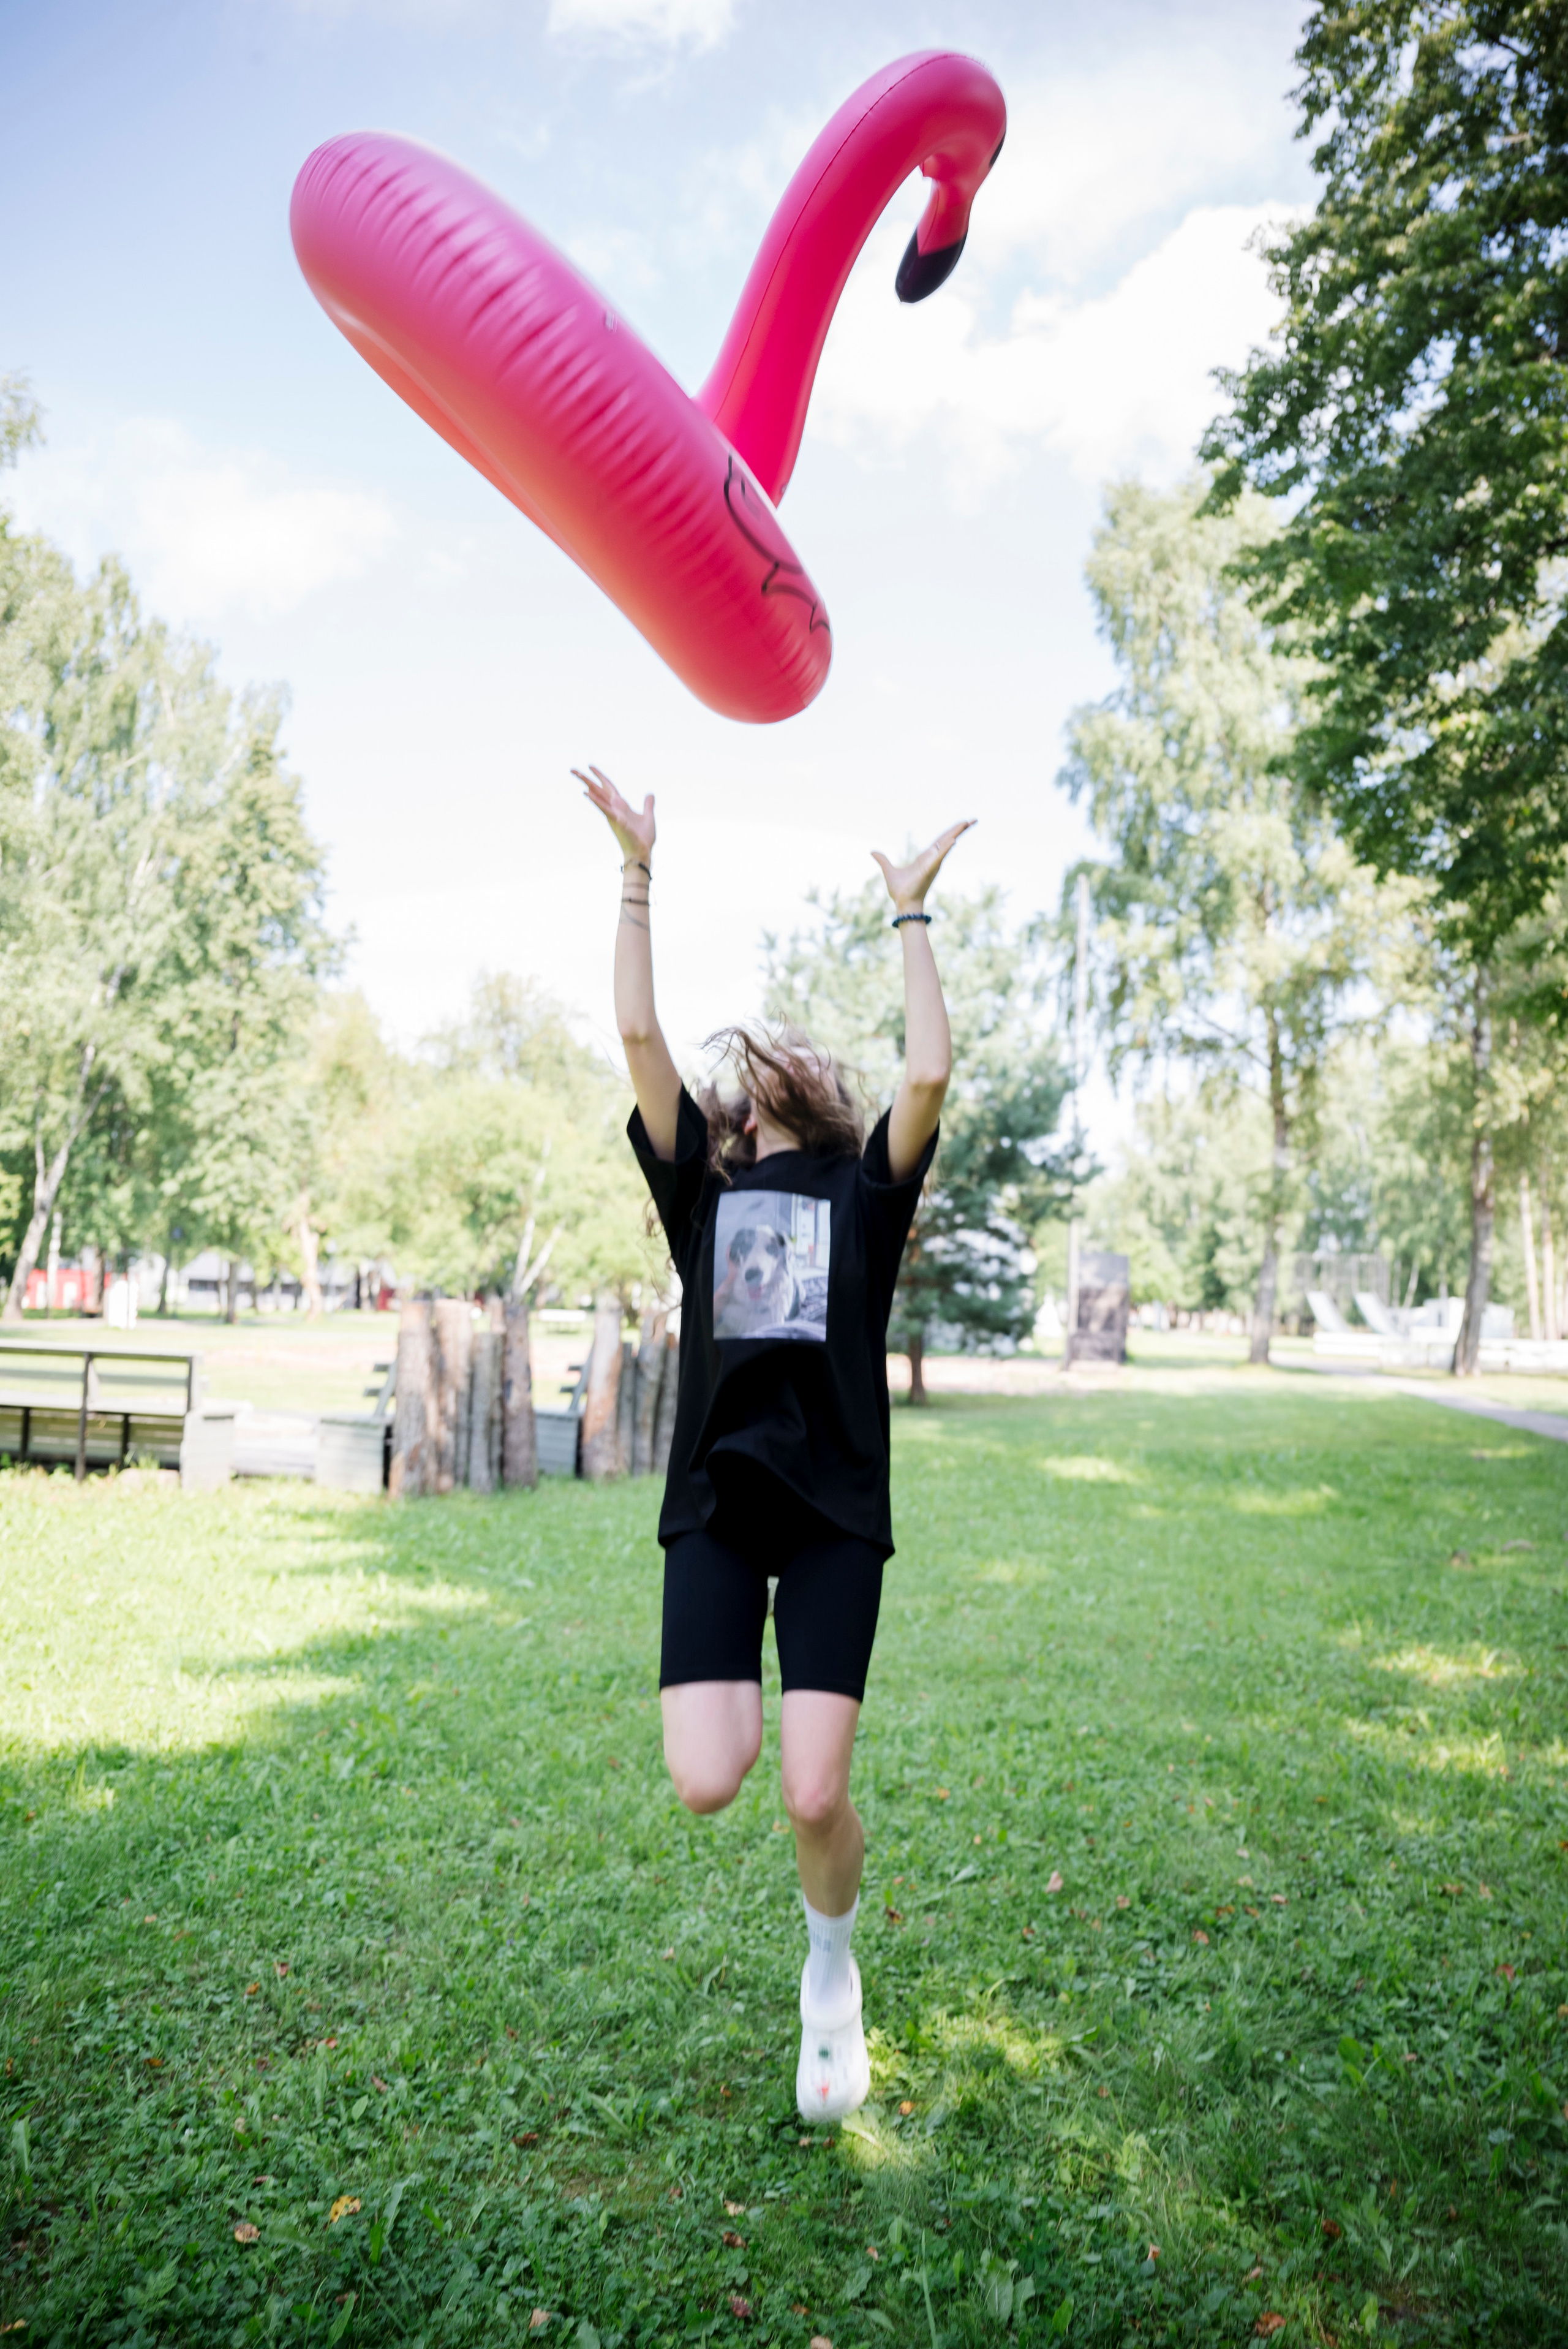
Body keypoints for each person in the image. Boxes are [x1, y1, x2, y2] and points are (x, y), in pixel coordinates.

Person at [578, 763, 971, 2121]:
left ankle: (830, 1969)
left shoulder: (865, 1193)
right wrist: (637, 870)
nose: (759, 1080)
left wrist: (910, 913)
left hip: (831, 1514)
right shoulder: (705, 1188)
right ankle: (815, 1928)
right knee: (706, 1779)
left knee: (813, 1796)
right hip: (717, 1505)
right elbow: (638, 1034)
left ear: (813, 1093)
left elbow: (930, 1068)